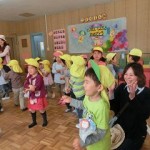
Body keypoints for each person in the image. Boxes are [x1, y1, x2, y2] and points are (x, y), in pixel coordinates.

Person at [62, 59, 111, 150]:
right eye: (84, 81)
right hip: (89, 141)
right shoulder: (87, 97)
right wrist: (70, 100)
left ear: (99, 87)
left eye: (87, 82)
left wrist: (82, 142)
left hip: (100, 146)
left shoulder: (101, 107)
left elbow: (101, 133)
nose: (83, 85)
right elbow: (84, 105)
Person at [110, 62, 150, 150]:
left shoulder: (147, 92)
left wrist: (133, 97)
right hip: (119, 129)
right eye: (126, 74)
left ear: (139, 76)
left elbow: (144, 115)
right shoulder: (122, 87)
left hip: (136, 133)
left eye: (131, 75)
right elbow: (114, 108)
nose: (127, 77)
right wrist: (111, 92)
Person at [24, 58, 48, 128]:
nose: (29, 70)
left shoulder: (39, 77)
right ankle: (34, 122)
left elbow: (37, 87)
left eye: (31, 68)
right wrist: (29, 87)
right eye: (28, 68)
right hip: (32, 96)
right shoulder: (29, 77)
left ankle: (45, 120)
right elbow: (25, 84)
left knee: (41, 109)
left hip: (39, 96)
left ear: (36, 69)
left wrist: (30, 88)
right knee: (32, 109)